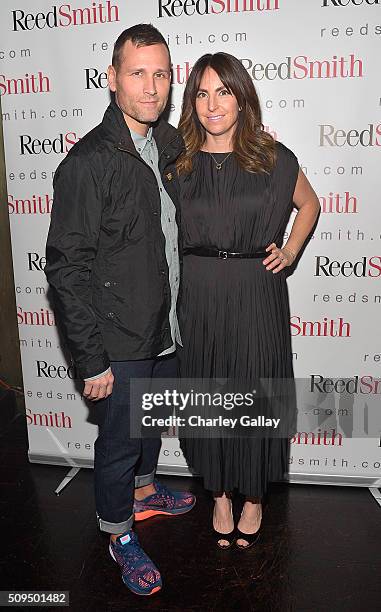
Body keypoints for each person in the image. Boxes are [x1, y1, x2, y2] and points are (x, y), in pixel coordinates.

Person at [45, 24, 195, 597]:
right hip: (119, 337)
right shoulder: (87, 163)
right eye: (138, 73)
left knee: (150, 426)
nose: (151, 86)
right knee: (118, 443)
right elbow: (65, 268)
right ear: (112, 80)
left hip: (165, 329)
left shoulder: (167, 147)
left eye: (161, 74)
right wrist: (91, 359)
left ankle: (145, 491)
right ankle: (118, 534)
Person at [176, 52, 320, 549]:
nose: (212, 104)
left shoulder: (273, 158)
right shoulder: (178, 162)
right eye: (201, 93)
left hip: (256, 290)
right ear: (191, 102)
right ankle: (218, 493)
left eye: (224, 91)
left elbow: (310, 203)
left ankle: (255, 495)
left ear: (242, 98)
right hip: (198, 291)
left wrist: (293, 250)